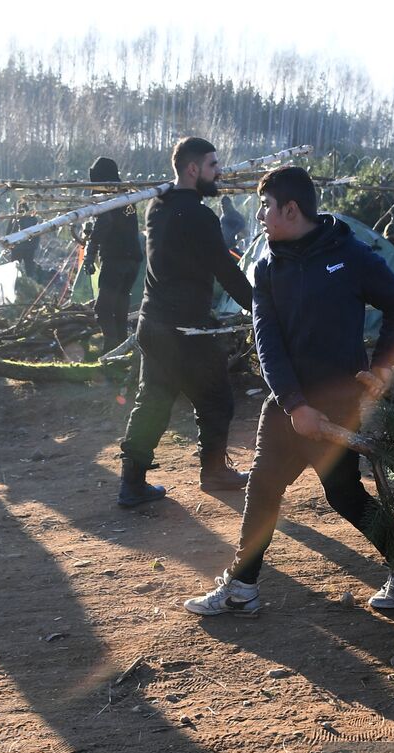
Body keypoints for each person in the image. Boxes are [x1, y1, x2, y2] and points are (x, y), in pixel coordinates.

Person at [184, 166, 394, 616]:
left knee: (344, 494)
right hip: (287, 402)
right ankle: (241, 588)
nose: (261, 217)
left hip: (338, 402)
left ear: (290, 209)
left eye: (266, 207)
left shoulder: (350, 254)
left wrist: (384, 366)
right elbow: (266, 340)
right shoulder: (269, 267)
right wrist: (294, 404)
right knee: (263, 487)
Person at [117, 136, 254, 507]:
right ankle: (213, 472)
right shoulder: (198, 216)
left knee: (153, 402)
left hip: (153, 323)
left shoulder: (157, 208)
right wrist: (259, 307)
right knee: (216, 399)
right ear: (193, 169)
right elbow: (225, 269)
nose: (219, 172)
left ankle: (131, 484)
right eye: (213, 165)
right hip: (186, 330)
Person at [86, 157, 144, 353]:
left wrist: (89, 253)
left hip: (116, 259)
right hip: (133, 259)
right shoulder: (127, 194)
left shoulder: (108, 197)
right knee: (120, 307)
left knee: (102, 309)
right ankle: (122, 350)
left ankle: (110, 349)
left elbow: (105, 222)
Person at [6, 202, 40, 280]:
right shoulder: (33, 218)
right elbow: (38, 233)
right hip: (27, 248)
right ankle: (29, 281)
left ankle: (18, 282)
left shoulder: (15, 218)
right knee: (28, 268)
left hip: (18, 247)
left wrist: (9, 244)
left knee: (14, 267)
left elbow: (8, 233)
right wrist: (34, 246)